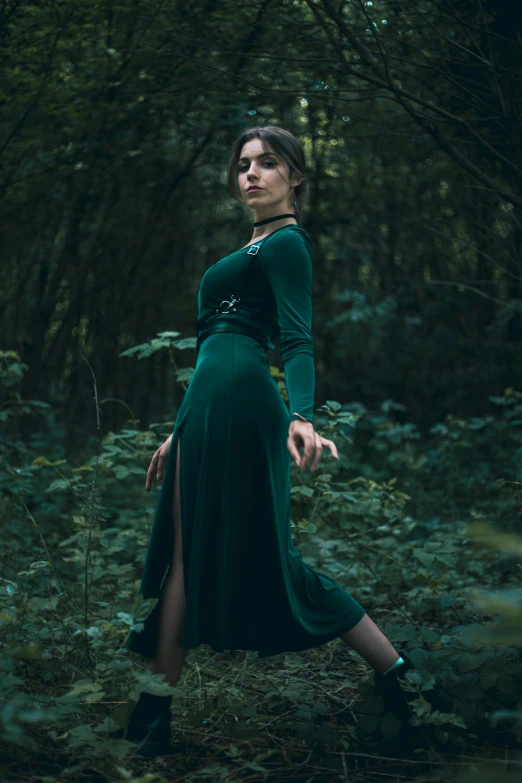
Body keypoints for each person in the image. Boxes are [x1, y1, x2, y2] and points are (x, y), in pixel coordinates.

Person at [116, 126, 452, 755]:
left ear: (295, 176)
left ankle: (404, 679)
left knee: (265, 559)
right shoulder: (250, 244)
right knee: (186, 559)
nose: (251, 174)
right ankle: (152, 717)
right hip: (207, 409)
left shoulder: (288, 243)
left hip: (244, 405)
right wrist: (178, 428)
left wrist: (302, 415)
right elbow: (208, 349)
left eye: (267, 163)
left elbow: (296, 338)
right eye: (243, 164)